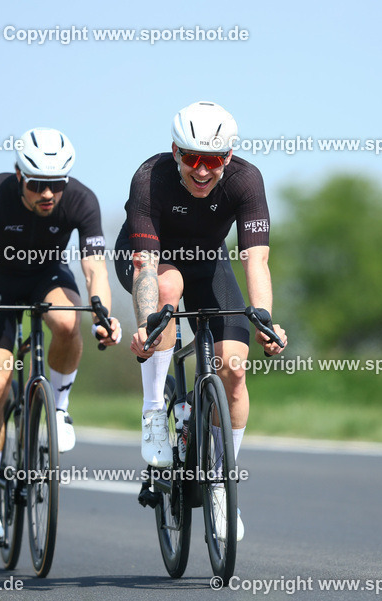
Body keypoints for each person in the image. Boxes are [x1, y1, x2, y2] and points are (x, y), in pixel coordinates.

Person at [115, 102, 286, 542]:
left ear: (229, 156)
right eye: (192, 158)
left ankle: (222, 484)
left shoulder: (246, 180)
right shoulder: (150, 177)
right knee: (167, 291)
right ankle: (155, 410)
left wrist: (265, 320)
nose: (203, 170)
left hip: (208, 261)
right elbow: (146, 265)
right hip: (149, 259)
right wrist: (148, 326)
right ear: (176, 151)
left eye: (214, 160)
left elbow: (256, 259)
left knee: (234, 368)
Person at [0, 127, 121, 543]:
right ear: (19, 175)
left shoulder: (82, 199)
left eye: (56, 184)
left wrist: (103, 315)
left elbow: (95, 269)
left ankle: (60, 408)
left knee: (69, 323)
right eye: (37, 185)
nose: (48, 194)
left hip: (47, 276)